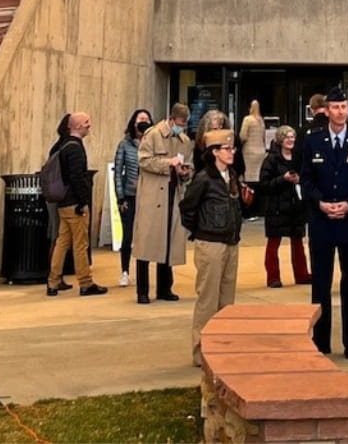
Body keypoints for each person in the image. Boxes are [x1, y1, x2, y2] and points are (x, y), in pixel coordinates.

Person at [300, 85, 348, 359]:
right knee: (321, 284)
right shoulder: (312, 141)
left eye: (344, 108)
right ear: (326, 111)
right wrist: (320, 203)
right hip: (322, 222)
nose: (339, 112)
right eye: (335, 107)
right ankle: (321, 341)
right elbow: (305, 179)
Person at [180, 129, 249, 368]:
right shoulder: (204, 178)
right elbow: (187, 207)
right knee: (207, 301)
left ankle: (223, 347)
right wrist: (199, 231)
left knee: (226, 301)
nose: (232, 153)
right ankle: (201, 352)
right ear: (214, 152)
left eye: (232, 148)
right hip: (210, 243)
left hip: (231, 242)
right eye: (227, 149)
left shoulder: (231, 175)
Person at [133, 104, 193, 304]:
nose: (181, 128)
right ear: (171, 119)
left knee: (169, 242)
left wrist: (185, 173)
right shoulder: (153, 135)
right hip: (153, 195)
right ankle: (142, 290)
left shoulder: (184, 141)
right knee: (147, 243)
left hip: (173, 194)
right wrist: (167, 163)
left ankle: (165, 288)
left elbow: (189, 166)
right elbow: (143, 161)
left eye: (184, 125)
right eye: (179, 123)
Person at [46, 112, 108, 297]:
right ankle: (85, 282)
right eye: (86, 122)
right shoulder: (75, 148)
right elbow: (77, 177)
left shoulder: (61, 145)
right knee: (80, 244)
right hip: (74, 203)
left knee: (62, 242)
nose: (89, 125)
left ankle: (53, 281)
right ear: (77, 126)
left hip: (63, 202)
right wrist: (83, 202)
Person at [259, 126, 311, 287]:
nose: (291, 140)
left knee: (298, 242)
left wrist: (299, 180)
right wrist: (283, 179)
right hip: (276, 207)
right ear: (280, 140)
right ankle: (273, 277)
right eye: (287, 137)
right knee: (273, 243)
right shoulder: (271, 159)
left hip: (296, 206)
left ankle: (302, 275)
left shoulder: (299, 158)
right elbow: (264, 184)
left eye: (293, 137)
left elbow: (308, 177)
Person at [113, 108, 151, 287]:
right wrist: (120, 197)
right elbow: (118, 172)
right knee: (127, 235)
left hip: (149, 196)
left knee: (146, 236)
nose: (143, 122)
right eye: (140, 119)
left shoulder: (153, 142)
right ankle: (125, 271)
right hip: (130, 195)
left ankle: (143, 272)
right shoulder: (125, 144)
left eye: (146, 119)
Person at [237, 99, 266, 178]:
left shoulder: (247, 119)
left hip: (249, 152)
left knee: (249, 176)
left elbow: (243, 136)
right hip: (261, 151)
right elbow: (264, 137)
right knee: (258, 175)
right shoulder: (261, 120)